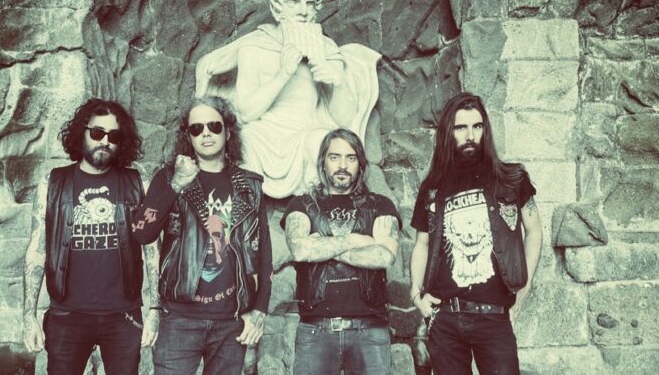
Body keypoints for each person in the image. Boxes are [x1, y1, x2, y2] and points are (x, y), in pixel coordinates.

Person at [195, 0, 381, 199]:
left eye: (310, 4)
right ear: (277, 8)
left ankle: (320, 212)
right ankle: (248, 213)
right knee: (245, 142)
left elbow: (344, 120)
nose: (303, 11)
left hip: (307, 132)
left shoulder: (325, 48)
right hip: (262, 134)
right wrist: (284, 73)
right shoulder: (254, 46)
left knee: (327, 143)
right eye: (294, 2)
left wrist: (338, 83)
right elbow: (246, 111)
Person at [129, 96, 272, 375]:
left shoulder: (250, 186)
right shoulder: (168, 177)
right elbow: (142, 233)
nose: (205, 133)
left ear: (228, 132)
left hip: (231, 321)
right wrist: (176, 184)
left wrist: (259, 310)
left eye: (213, 126)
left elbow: (264, 252)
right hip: (179, 318)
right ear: (188, 136)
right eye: (196, 128)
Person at [409, 92, 543, 374]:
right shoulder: (433, 187)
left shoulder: (512, 178)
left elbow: (534, 231)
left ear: (485, 129)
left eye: (477, 126)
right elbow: (422, 243)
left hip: (493, 316)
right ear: (448, 132)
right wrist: (416, 294)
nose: (470, 135)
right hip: (445, 316)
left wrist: (526, 285)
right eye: (461, 127)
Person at [22, 98, 158, 374]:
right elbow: (37, 250)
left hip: (123, 315)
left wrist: (155, 310)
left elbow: (152, 248)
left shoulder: (136, 182)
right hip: (67, 315)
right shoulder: (52, 183)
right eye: (97, 132)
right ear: (81, 133)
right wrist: (28, 316)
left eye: (114, 136)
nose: (105, 141)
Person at [281, 128, 400, 375]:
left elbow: (384, 256)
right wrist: (356, 240)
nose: (342, 165)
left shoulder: (380, 204)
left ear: (360, 164)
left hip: (370, 330)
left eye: (351, 158)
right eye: (334, 157)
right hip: (316, 330)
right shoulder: (301, 204)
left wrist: (322, 246)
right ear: (323, 162)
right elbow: (300, 250)